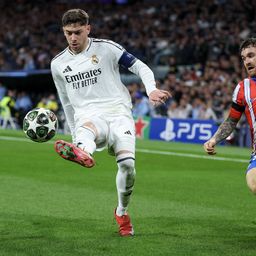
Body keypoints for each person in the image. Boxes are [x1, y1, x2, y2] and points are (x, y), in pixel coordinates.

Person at [51, 9, 170, 237]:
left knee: (127, 166)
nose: (73, 38)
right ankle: (82, 149)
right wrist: (74, 131)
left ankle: (122, 211)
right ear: (63, 32)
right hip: (88, 115)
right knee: (87, 130)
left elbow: (140, 66)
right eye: (68, 34)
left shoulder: (107, 48)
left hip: (118, 112)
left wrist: (151, 89)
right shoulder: (58, 64)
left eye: (77, 32)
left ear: (88, 28)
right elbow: (65, 100)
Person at [204, 37, 256, 196]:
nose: (247, 61)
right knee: (254, 184)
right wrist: (213, 139)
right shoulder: (243, 88)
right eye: (244, 58)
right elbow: (232, 120)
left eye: (251, 55)